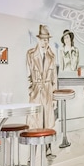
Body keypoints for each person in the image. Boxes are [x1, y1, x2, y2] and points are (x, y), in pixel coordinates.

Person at [26, 24, 57, 155]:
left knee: (48, 121)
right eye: (43, 39)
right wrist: (31, 90)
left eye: (47, 39)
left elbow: (55, 77)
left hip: (48, 91)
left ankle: (48, 149)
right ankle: (32, 153)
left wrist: (54, 96)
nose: (46, 41)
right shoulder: (31, 54)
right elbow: (28, 75)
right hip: (36, 91)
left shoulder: (51, 55)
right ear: (39, 39)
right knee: (34, 121)